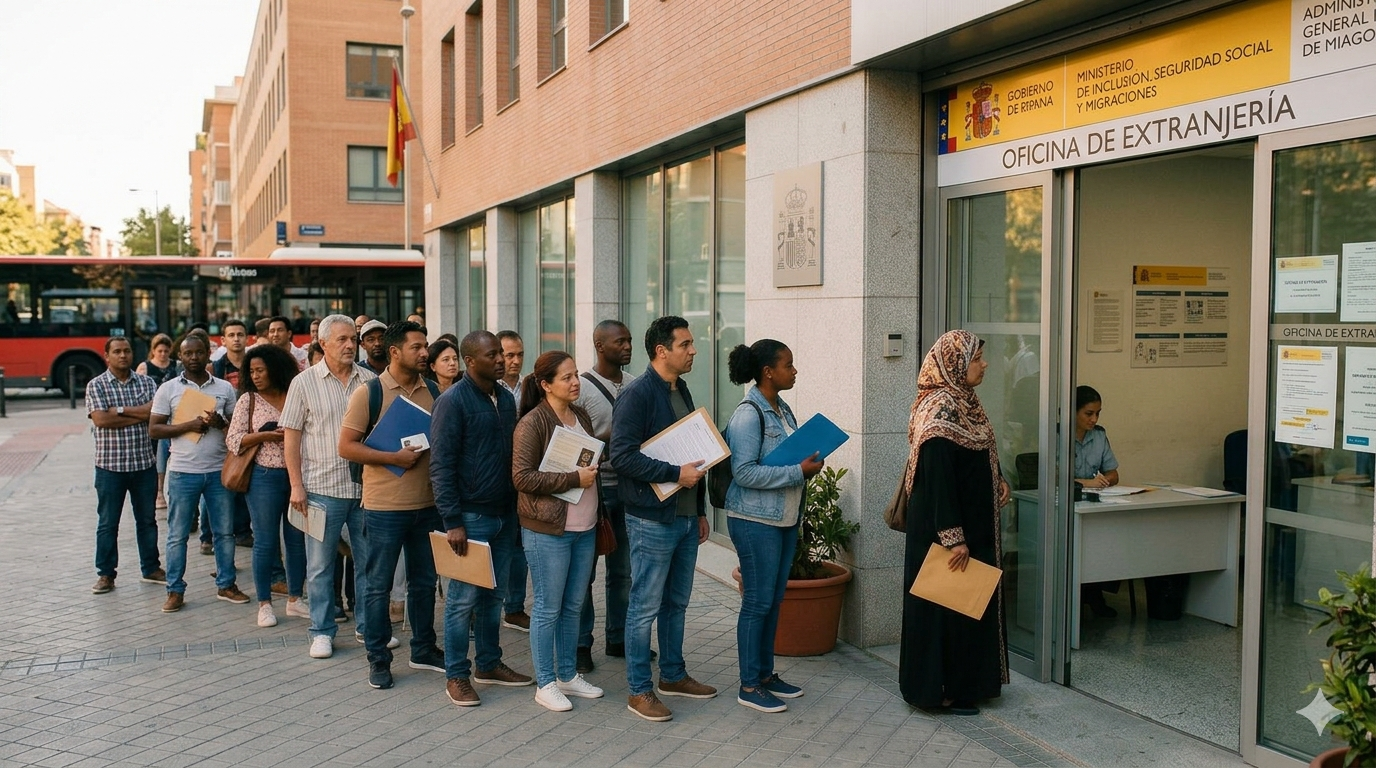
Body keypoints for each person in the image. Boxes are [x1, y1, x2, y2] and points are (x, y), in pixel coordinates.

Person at [609, 315, 717, 722]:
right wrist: (675, 474)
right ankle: (639, 690)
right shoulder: (637, 395)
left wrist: (701, 511)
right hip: (651, 519)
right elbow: (621, 457)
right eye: (685, 344)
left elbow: (696, 450)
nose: (693, 351)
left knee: (677, 602)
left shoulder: (681, 388)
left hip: (686, 517)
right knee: (644, 606)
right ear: (661, 351)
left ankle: (673, 674)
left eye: (691, 344)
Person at [898, 329, 1009, 716]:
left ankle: (966, 685)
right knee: (943, 610)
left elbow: (980, 450)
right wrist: (953, 537)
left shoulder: (966, 402)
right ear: (956, 363)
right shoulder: (940, 407)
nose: (984, 364)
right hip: (945, 535)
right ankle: (938, 691)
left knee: (966, 607)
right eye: (977, 358)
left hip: (969, 529)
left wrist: (999, 479)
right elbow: (938, 476)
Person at [282, 314, 397, 661]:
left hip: (366, 490)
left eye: (353, 339)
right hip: (320, 489)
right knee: (319, 566)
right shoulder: (304, 383)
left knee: (369, 565)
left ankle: (367, 627)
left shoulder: (370, 380)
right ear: (324, 344)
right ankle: (320, 630)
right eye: (342, 340)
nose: (349, 345)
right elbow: (291, 437)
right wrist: (296, 486)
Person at [339, 320, 446, 690]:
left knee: (423, 582)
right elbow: (347, 446)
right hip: (384, 506)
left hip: (427, 505)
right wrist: (392, 458)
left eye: (426, 346)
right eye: (417, 347)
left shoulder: (432, 390)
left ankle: (423, 648)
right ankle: (378, 659)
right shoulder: (368, 393)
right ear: (395, 351)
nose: (425, 352)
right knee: (377, 585)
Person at [432, 330, 534, 707]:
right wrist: (452, 520)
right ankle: (456, 675)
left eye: (502, 355)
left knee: (495, 598)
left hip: (505, 513)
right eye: (492, 355)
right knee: (462, 601)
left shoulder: (506, 399)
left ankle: (489, 663)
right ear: (469, 361)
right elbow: (440, 466)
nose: (501, 360)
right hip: (470, 518)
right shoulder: (452, 402)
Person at [721, 339, 823, 713]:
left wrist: (809, 463)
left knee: (773, 600)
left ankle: (765, 675)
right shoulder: (750, 414)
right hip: (754, 521)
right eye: (788, 365)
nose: (794, 371)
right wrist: (798, 471)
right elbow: (743, 472)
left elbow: (785, 458)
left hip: (783, 518)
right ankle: (749, 685)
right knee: (758, 602)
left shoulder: (782, 409)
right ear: (768, 372)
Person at [512, 351, 606, 712]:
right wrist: (573, 478)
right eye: (566, 377)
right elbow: (521, 478)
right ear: (545, 384)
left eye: (575, 375)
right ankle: (546, 682)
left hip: (584, 526)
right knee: (548, 608)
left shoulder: (579, 415)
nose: (575, 382)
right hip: (548, 529)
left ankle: (568, 674)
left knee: (573, 605)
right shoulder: (533, 423)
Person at [149, 334, 246, 613]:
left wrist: (220, 422)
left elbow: (236, 431)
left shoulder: (225, 388)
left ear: (208, 355)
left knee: (224, 533)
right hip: (183, 473)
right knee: (177, 535)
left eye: (199, 352)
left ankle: (227, 584)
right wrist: (187, 425)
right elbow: (154, 429)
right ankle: (174, 589)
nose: (193, 358)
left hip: (218, 471)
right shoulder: (168, 389)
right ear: (181, 357)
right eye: (188, 353)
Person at [226, 344, 308, 628]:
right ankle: (264, 603)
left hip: (297, 475)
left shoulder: (294, 394)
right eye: (252, 371)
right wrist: (264, 437)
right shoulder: (248, 400)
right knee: (265, 541)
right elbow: (233, 440)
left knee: (297, 540)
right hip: (264, 477)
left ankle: (296, 599)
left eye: (261, 370)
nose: (256, 375)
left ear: (275, 368)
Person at [573, 320, 635, 673]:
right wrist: (609, 438)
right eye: (619, 342)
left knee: (622, 571)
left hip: (627, 488)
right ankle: (582, 644)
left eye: (628, 341)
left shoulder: (635, 383)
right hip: (593, 489)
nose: (627, 347)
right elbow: (571, 443)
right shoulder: (580, 387)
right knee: (585, 573)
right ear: (599, 344)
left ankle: (619, 638)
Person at [86, 336, 164, 594]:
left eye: (127, 351)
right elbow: (101, 420)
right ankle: (106, 574)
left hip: (143, 464)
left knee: (147, 520)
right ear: (107, 356)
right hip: (109, 467)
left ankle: (151, 567)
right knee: (108, 523)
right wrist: (134, 412)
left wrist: (117, 410)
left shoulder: (147, 382)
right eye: (117, 351)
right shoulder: (95, 385)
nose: (123, 356)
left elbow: (153, 413)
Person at [1074, 384, 1122, 618]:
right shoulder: (1056, 435)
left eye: (1097, 413)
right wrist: (1084, 482)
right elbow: (1052, 477)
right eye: (1088, 413)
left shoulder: (1100, 435)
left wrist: (1105, 480)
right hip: (1068, 508)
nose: (1094, 419)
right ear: (1074, 412)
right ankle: (1086, 595)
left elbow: (1113, 473)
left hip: (1095, 505)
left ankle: (1095, 593)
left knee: (1110, 539)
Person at [495, 329, 531, 632]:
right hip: (495, 477)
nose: (515, 360)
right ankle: (485, 607)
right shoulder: (488, 388)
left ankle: (514, 607)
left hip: (523, 476)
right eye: (509, 355)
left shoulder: (529, 386)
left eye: (519, 354)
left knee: (519, 547)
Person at [137, 333, 176, 510]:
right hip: (154, 417)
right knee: (156, 456)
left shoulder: (176, 366)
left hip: (173, 419)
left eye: (166, 351)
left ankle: (165, 492)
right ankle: (158, 492)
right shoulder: (145, 367)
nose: (163, 354)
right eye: (159, 351)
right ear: (153, 351)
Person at [213, 319, 249, 388]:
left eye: (240, 335)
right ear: (223, 340)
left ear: (247, 339)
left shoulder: (255, 365)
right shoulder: (214, 368)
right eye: (231, 335)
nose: (236, 339)